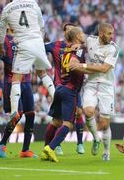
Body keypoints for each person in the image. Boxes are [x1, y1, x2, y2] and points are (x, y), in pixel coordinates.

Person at [0, 0, 55, 121]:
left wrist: (0, 46)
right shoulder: (33, 4)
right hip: (37, 41)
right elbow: (42, 25)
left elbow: (1, 31)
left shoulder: (8, 8)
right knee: (42, 73)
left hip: (24, 43)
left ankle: (14, 110)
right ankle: (56, 98)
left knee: (16, 78)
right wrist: (39, 40)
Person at [41, 27, 90, 163]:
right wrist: (91, 69)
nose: (83, 35)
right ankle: (51, 148)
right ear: (76, 37)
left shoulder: (65, 50)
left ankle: (45, 150)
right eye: (81, 33)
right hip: (70, 91)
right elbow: (74, 64)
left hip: (60, 88)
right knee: (68, 124)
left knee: (55, 121)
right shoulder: (79, 49)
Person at [71, 23, 119, 161]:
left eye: (112, 33)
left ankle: (106, 151)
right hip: (91, 84)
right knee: (88, 112)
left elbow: (104, 68)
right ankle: (96, 139)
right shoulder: (90, 40)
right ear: (101, 33)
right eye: (109, 33)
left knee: (104, 123)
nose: (112, 36)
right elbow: (79, 40)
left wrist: (81, 65)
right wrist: (77, 47)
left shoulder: (113, 48)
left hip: (107, 86)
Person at [0, 30, 36, 158]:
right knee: (16, 115)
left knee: (31, 114)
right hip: (12, 81)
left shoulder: (26, 36)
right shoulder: (6, 39)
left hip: (27, 81)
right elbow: (2, 55)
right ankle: (2, 143)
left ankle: (25, 150)